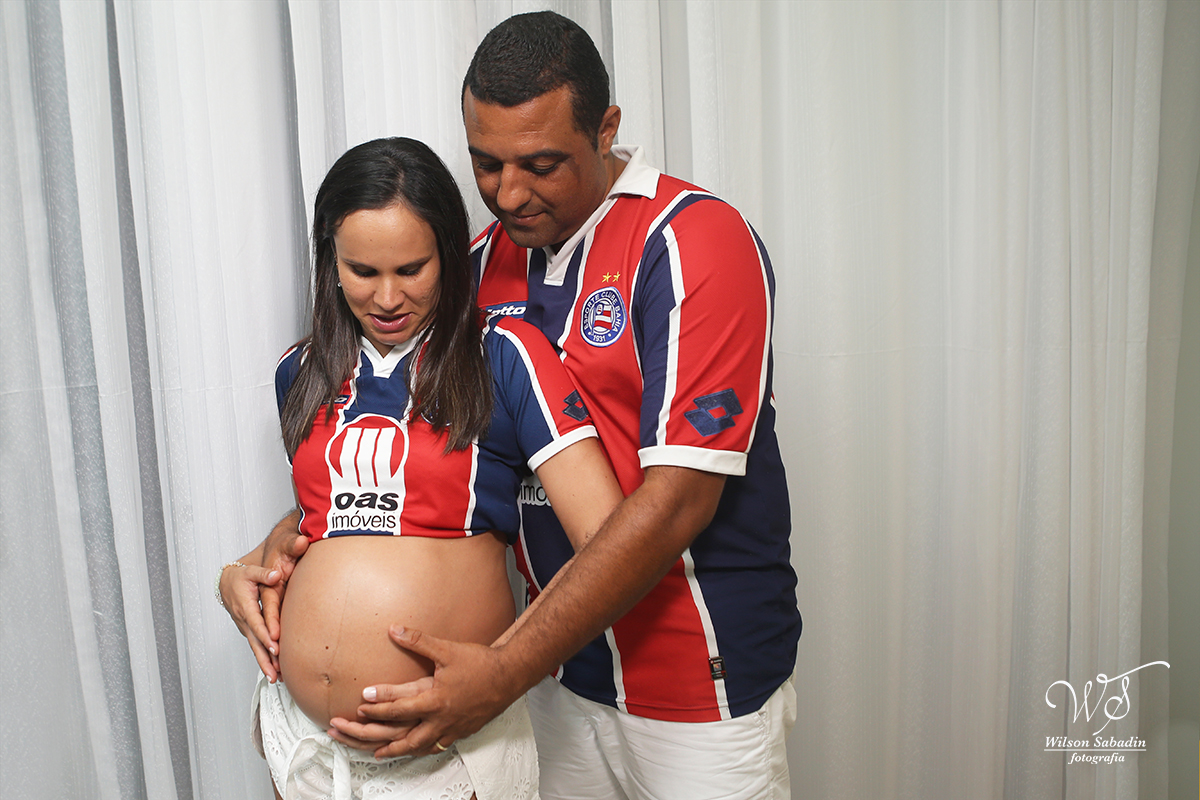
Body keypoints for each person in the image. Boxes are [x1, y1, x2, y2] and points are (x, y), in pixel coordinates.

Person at [321, 12, 803, 800]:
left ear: (607, 128)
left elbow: (679, 503)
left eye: (541, 164)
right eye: (486, 164)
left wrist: (501, 671)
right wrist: (279, 548)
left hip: (700, 689)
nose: (508, 193)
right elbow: (398, 444)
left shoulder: (693, 241)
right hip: (553, 678)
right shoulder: (475, 265)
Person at [219, 136, 622, 800]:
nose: (385, 297)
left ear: (450, 256)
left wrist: (504, 667)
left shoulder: (504, 354)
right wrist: (238, 572)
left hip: (451, 749)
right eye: (361, 270)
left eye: (411, 269)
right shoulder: (302, 370)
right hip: (305, 746)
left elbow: (609, 545)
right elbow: (327, 520)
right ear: (331, 263)